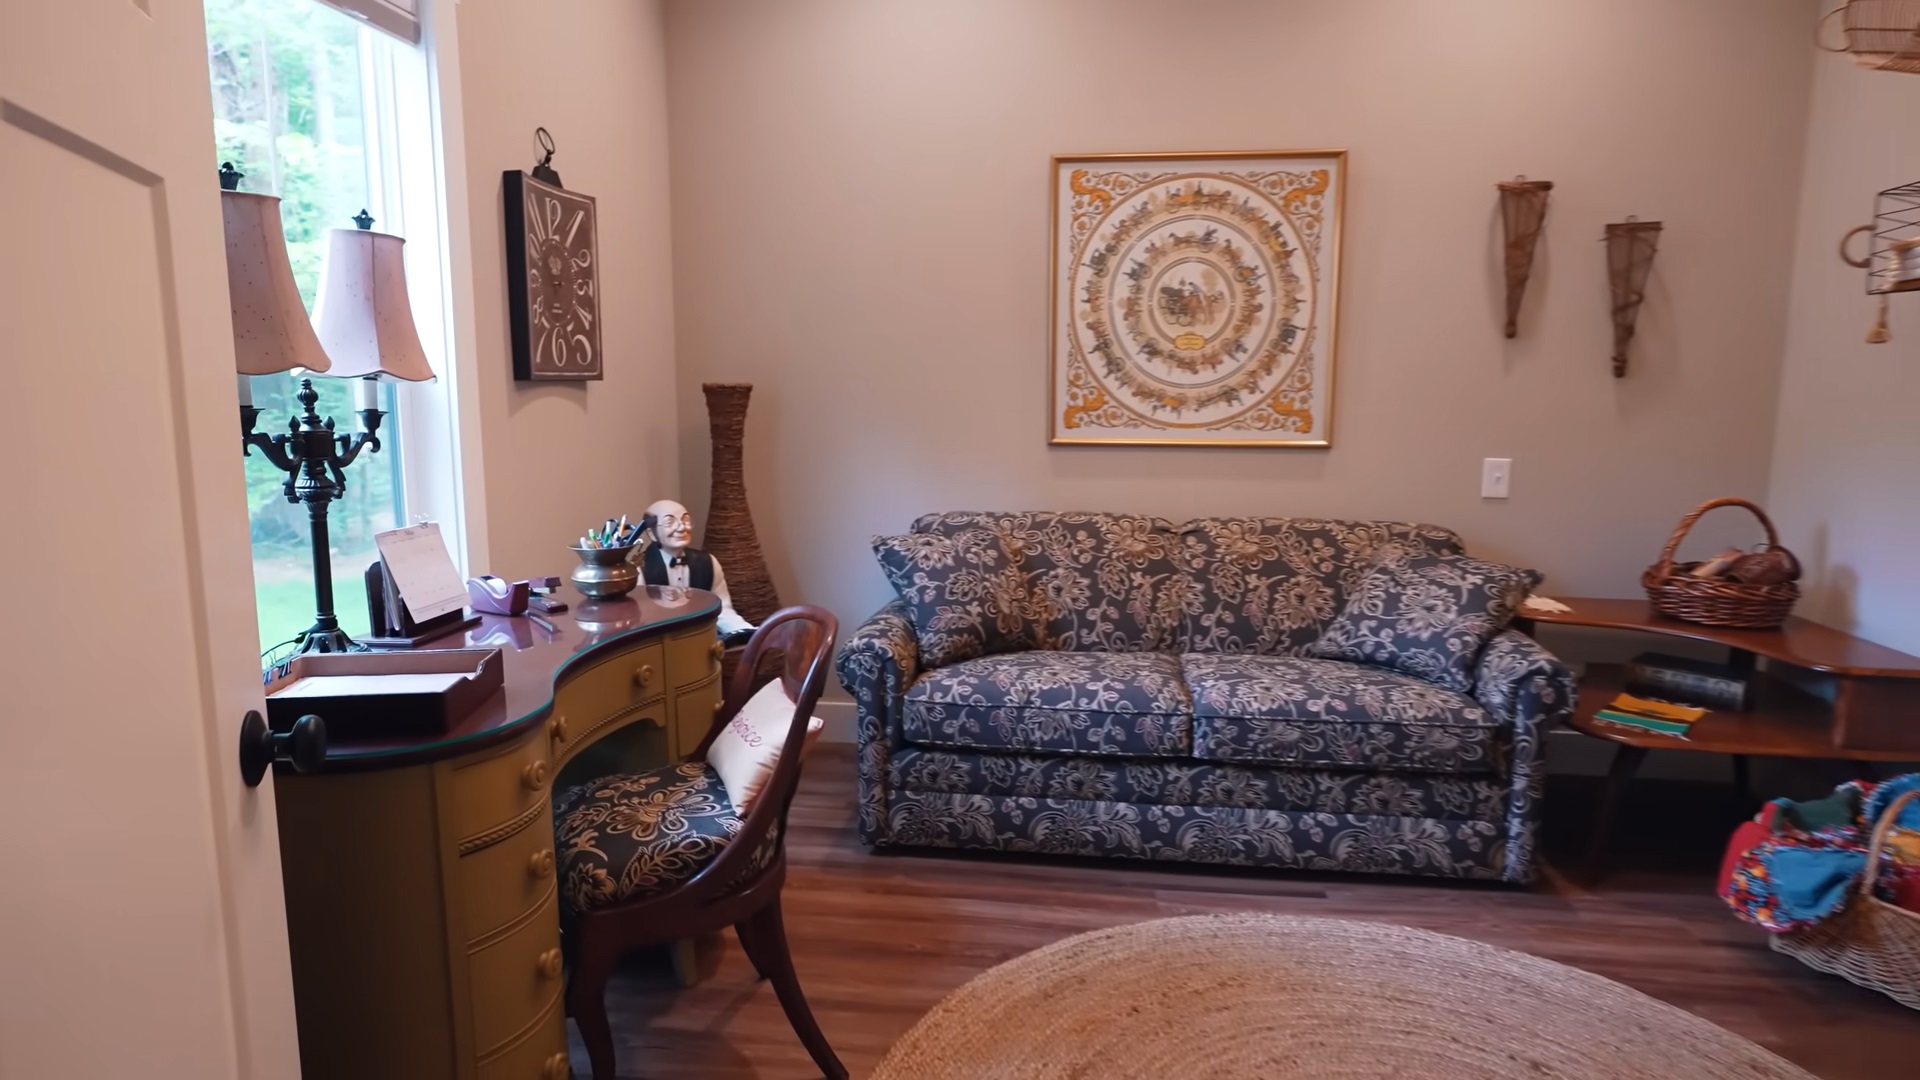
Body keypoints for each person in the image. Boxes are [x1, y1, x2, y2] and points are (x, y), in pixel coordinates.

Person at [638, 499, 754, 643]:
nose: (681, 528)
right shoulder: (640, 570)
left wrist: (742, 630)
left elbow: (722, 609)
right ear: (652, 533)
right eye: (670, 522)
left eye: (685, 520)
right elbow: (642, 622)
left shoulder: (709, 562)